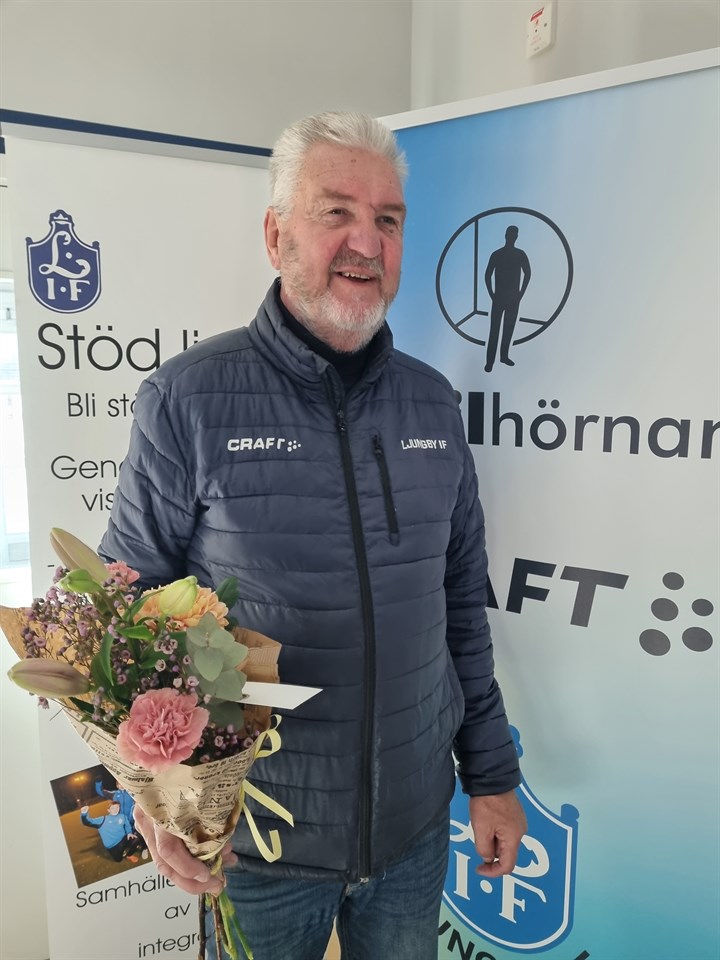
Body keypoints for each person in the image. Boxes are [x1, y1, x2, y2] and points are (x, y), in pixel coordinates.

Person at [100, 111, 526, 960]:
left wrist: (491, 775)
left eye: (388, 220)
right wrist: (156, 798)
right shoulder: (187, 400)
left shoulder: (434, 406)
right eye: (336, 212)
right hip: (257, 846)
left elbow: (460, 613)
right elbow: (126, 617)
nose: (366, 242)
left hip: (412, 833)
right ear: (276, 235)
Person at [483, 225, 531, 371]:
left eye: (514, 235)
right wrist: (492, 294)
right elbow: (487, 275)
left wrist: (520, 294)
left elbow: (528, 273)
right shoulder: (497, 254)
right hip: (499, 298)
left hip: (513, 299)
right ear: (506, 236)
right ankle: (490, 361)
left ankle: (504, 356)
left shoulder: (520, 254)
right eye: (510, 234)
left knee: (508, 329)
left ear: (516, 237)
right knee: (494, 330)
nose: (512, 237)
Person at [80, 801, 144, 863]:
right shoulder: (103, 820)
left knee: (137, 839)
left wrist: (129, 833)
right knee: (119, 860)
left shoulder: (122, 816)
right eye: (113, 808)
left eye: (117, 807)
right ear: (108, 810)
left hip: (123, 839)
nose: (115, 809)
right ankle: (123, 851)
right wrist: (84, 813)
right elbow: (87, 822)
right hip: (112, 846)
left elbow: (127, 826)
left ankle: (129, 855)